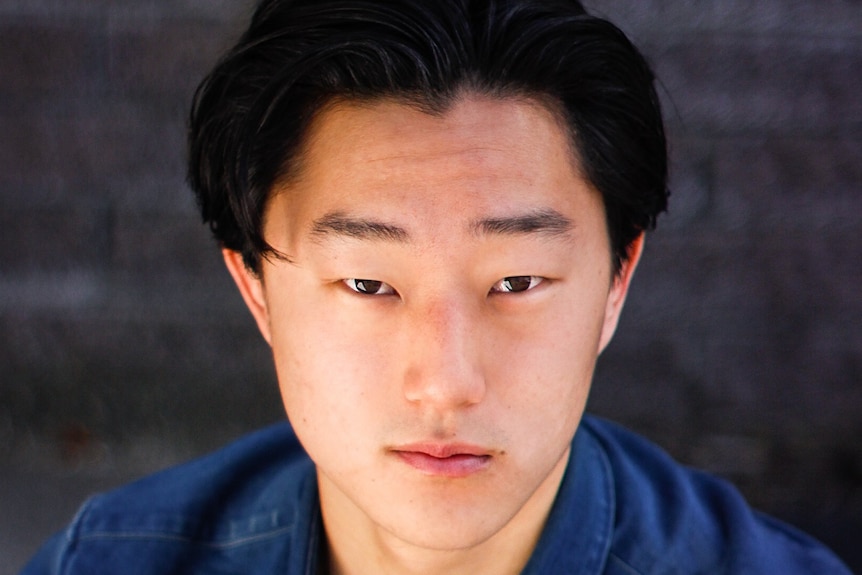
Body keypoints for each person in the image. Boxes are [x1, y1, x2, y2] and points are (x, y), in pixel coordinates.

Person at [22, 1, 853, 573]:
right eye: (368, 282)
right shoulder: (111, 557)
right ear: (256, 289)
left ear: (615, 283)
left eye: (517, 280)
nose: (446, 381)